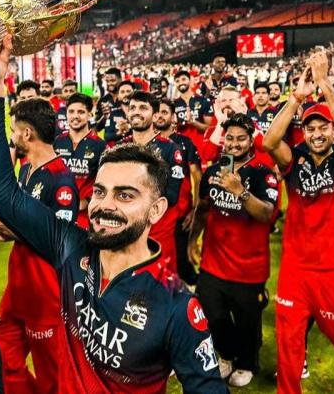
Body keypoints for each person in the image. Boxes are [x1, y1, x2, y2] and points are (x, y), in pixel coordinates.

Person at [0, 44, 227, 393]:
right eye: (99, 191)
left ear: (156, 210)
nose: (105, 205)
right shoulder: (70, 247)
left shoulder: (176, 305)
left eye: (125, 195)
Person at [262, 52, 334, 394]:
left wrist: (324, 82)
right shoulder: (295, 158)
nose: (316, 134)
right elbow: (269, 142)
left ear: (333, 130)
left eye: (323, 127)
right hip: (296, 267)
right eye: (310, 128)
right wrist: (296, 98)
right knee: (288, 340)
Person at [0, 98, 79, 394]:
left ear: (27, 133)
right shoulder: (25, 170)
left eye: (13, 131)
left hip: (46, 292)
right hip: (18, 286)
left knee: (52, 379)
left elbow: (58, 240)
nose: (12, 137)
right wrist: (4, 229)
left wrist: (5, 227)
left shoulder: (61, 180)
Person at [189, 113, 277, 387]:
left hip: (249, 267)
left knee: (247, 321)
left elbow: (266, 214)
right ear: (223, 140)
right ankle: (226, 354)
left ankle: (247, 363)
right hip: (213, 261)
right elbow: (203, 209)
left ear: (251, 141)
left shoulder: (263, 173)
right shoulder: (214, 171)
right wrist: (192, 241)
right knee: (211, 314)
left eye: (241, 138)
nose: (235, 143)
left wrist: (241, 192)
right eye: (230, 138)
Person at [117, 91, 185, 273]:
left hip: (158, 233)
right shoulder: (119, 147)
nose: (136, 112)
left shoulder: (170, 149)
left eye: (143, 108)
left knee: (160, 282)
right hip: (126, 229)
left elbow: (172, 196)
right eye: (132, 108)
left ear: (155, 116)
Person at [155, 98, 202, 285]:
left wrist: (195, 210)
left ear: (173, 116)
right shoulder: (147, 142)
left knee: (180, 260)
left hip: (180, 213)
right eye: (157, 112)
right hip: (153, 214)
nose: (159, 116)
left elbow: (197, 176)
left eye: (164, 112)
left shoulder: (185, 142)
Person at [54, 93, 106, 229]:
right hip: (58, 211)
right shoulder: (56, 142)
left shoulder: (100, 146)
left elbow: (106, 182)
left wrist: (87, 200)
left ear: (90, 115)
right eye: (71, 111)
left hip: (86, 215)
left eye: (81, 112)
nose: (75, 116)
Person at [173, 69, 213, 152]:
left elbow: (209, 129)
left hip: (200, 148)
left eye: (183, 79)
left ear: (189, 80)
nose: (181, 82)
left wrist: (193, 122)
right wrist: (175, 125)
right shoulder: (173, 104)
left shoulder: (203, 101)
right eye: (177, 81)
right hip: (181, 148)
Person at [94, 67, 128, 144]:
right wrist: (104, 117)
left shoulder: (129, 99)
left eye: (112, 80)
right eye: (107, 81)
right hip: (109, 146)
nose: (109, 83)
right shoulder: (103, 101)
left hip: (127, 143)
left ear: (120, 79)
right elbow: (97, 127)